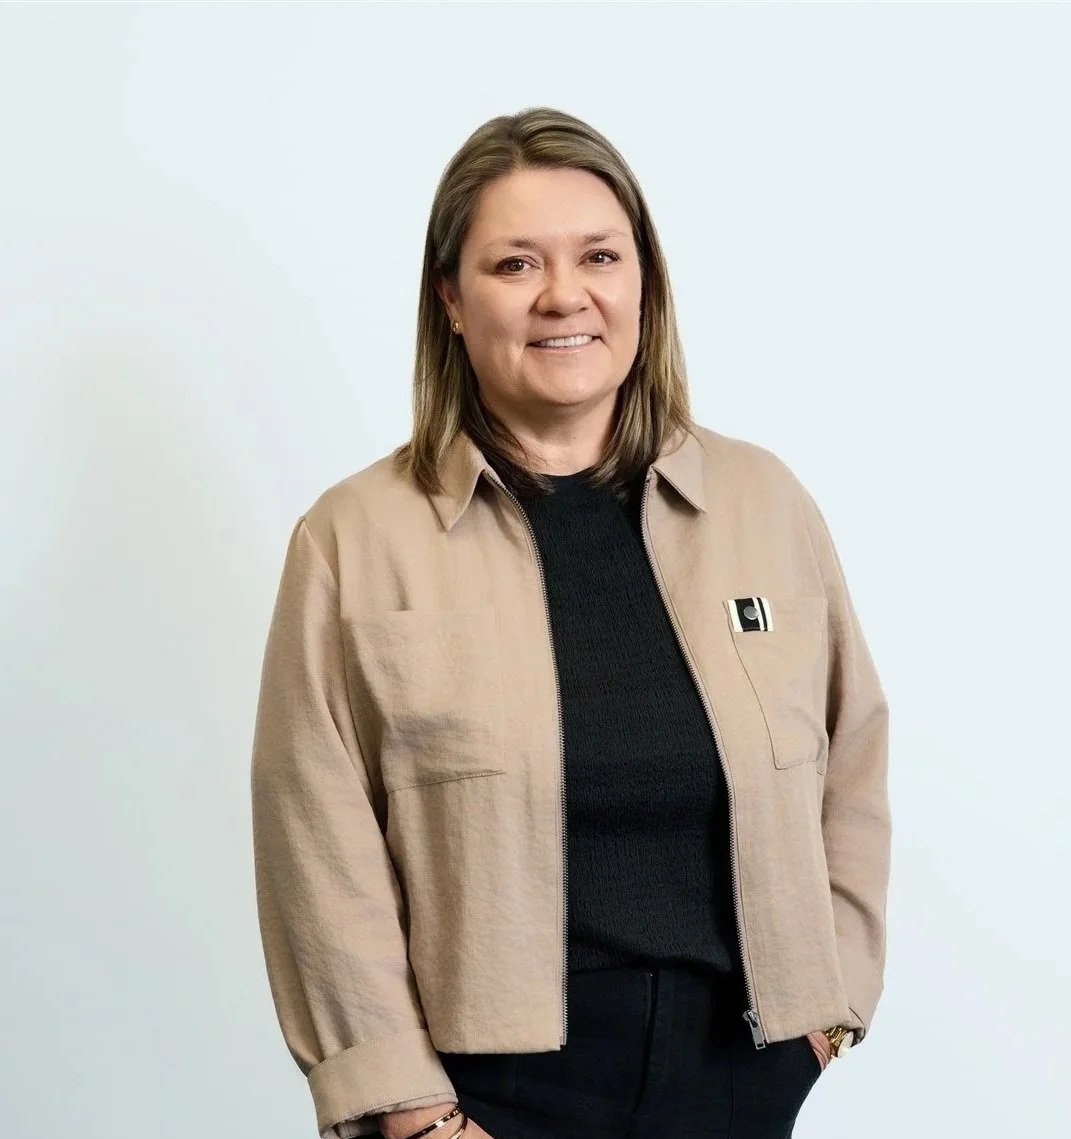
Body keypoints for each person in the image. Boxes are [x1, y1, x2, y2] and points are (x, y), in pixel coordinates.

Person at [249, 106, 891, 1139]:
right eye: (514, 264)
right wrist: (415, 1116)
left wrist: (830, 1012)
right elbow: (315, 845)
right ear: (451, 299)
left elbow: (851, 762)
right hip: (490, 1095)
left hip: (739, 1074)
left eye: (599, 255)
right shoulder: (354, 539)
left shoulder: (764, 505)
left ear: (644, 282)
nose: (565, 295)